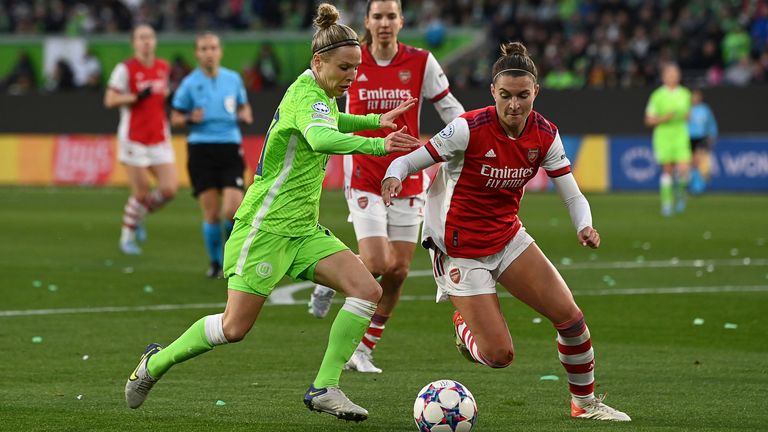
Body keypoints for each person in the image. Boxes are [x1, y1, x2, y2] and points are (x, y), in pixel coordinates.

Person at [124, 3, 420, 422]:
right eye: (345, 68)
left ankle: (325, 387)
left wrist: (373, 120)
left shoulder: (320, 91)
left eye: (356, 69)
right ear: (319, 62)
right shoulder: (306, 96)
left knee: (367, 290)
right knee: (233, 329)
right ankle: (154, 363)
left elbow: (333, 119)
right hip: (265, 228)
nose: (351, 77)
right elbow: (320, 137)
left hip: (301, 229)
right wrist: (377, 144)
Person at [381, 41, 631, 422]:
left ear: (536, 93)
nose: (514, 105)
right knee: (500, 357)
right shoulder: (468, 128)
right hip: (459, 249)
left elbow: (572, 193)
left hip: (507, 237)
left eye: (523, 96)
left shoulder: (545, 134)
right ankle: (463, 326)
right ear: (493, 93)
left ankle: (585, 404)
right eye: (506, 96)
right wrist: (394, 176)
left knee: (572, 320)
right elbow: (410, 160)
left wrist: (584, 225)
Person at [308, 0, 465, 374]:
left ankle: (363, 348)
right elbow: (320, 99)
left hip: (408, 178)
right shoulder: (349, 59)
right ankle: (333, 276)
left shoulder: (421, 62)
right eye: (377, 16)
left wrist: (461, 138)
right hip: (363, 174)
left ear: (401, 21)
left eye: (390, 16)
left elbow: (452, 110)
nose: (384, 23)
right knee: (377, 262)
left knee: (397, 272)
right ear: (366, 21)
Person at [171, 32, 253, 278]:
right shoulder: (189, 84)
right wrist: (187, 118)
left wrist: (246, 114)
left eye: (213, 48)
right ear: (197, 53)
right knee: (211, 213)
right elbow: (174, 118)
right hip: (201, 149)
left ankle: (231, 258)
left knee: (232, 209)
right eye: (204, 48)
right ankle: (216, 263)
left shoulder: (233, 79)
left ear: (220, 51)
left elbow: (243, 105)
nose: (209, 52)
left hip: (229, 147)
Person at [105, 24, 176, 255]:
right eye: (141, 37)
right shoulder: (125, 69)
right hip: (133, 138)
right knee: (142, 192)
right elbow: (110, 100)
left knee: (169, 190)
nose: (146, 41)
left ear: (155, 41)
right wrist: (135, 97)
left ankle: (138, 215)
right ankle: (127, 237)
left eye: (150, 37)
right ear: (134, 43)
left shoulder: (163, 67)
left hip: (159, 137)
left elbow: (162, 96)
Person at [644, 63, 691, 216]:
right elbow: (648, 120)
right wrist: (665, 118)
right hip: (663, 136)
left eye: (675, 73)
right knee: (668, 169)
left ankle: (680, 193)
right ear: (664, 77)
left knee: (684, 169)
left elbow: (688, 114)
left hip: (680, 134)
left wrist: (686, 116)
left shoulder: (685, 93)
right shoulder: (657, 95)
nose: (673, 76)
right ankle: (667, 203)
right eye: (670, 74)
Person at [687, 88, 718, 194]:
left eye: (697, 96)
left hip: (701, 137)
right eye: (693, 96)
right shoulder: (686, 108)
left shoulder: (705, 109)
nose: (695, 99)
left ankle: (699, 185)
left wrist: (713, 135)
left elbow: (711, 123)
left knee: (700, 161)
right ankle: (693, 183)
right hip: (688, 137)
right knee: (691, 162)